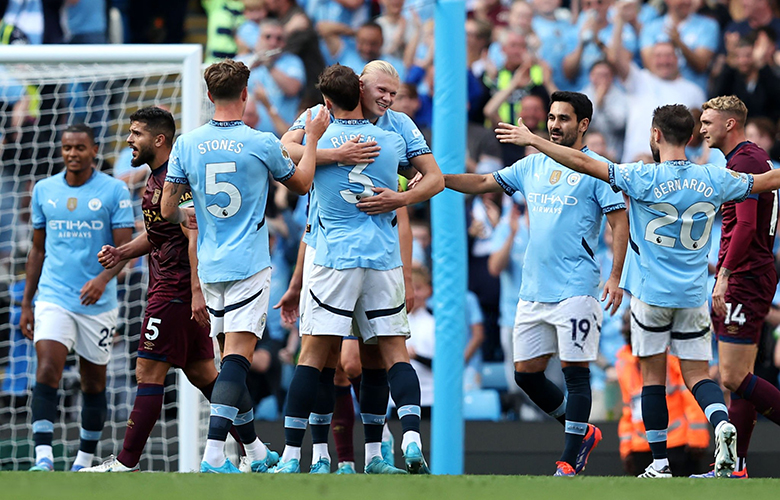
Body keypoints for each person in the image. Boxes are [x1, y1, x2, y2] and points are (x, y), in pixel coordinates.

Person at [495, 103, 780, 477]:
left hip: (650, 294)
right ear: (692, 137)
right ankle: (722, 423)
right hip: (694, 294)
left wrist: (533, 140)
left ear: (656, 135)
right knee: (697, 375)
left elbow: (583, 164)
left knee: (652, 379)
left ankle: (659, 463)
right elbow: (766, 181)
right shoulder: (714, 177)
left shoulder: (641, 176)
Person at [445, 91, 630, 476]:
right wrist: (438, 179)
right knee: (525, 375)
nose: (554, 124)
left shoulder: (598, 168)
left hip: (577, 288)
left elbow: (618, 223)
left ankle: (569, 460)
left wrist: (615, 276)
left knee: (575, 373)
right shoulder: (532, 167)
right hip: (533, 289)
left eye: (563, 118)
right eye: (551, 117)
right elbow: (481, 180)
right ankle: (580, 432)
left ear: (583, 125)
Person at [160, 59, 329, 473]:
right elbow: (303, 183)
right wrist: (313, 138)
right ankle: (214, 455)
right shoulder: (261, 141)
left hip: (209, 265)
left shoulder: (187, 144)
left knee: (228, 362)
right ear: (245, 95)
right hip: (249, 263)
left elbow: (167, 209)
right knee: (237, 359)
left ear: (208, 95)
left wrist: (189, 215)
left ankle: (253, 451)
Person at [276, 60, 444, 474]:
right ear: (360, 85)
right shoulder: (375, 136)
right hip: (366, 255)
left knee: (327, 357)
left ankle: (313, 456)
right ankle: (382, 444)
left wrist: (399, 199)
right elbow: (435, 179)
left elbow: (285, 153)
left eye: (394, 93)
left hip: (336, 254)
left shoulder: (388, 123)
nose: (388, 99)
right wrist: (339, 154)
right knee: (370, 356)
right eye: (381, 91)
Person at [78, 107, 232, 472]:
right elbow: (158, 235)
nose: (129, 140)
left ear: (159, 140)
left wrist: (196, 292)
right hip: (179, 291)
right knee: (204, 375)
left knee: (148, 371)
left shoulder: (172, 183)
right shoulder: (157, 179)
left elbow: (192, 234)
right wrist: (122, 251)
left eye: (136, 133)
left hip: (174, 291)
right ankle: (256, 449)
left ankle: (127, 462)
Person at [20, 123, 135, 471]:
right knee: (47, 369)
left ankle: (83, 461)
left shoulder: (114, 191)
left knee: (93, 382)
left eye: (80, 148)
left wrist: (102, 279)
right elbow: (37, 251)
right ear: (61, 150)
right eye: (67, 147)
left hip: (97, 304)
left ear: (94, 151)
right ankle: (43, 458)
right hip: (54, 296)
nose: (73, 153)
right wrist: (27, 301)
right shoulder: (44, 190)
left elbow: (125, 250)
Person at [696, 95, 780, 478]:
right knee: (742, 377)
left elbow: (745, 225)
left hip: (745, 276)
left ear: (730, 124)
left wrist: (725, 273)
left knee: (730, 377)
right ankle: (735, 465)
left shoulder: (744, 163)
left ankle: (733, 463)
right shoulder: (753, 158)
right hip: (756, 271)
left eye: (708, 122)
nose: (702, 129)